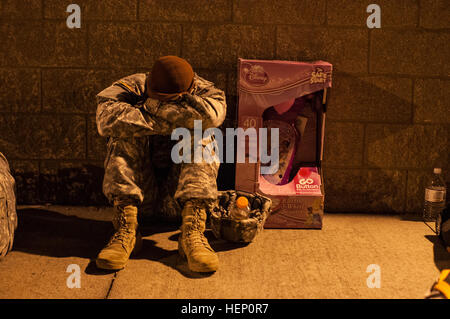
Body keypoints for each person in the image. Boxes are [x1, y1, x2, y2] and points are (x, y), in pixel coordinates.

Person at [95, 56, 227, 273]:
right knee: (122, 135)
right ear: (148, 85)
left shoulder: (206, 91)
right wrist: (178, 115)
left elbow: (212, 117)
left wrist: (152, 107)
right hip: (140, 198)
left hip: (181, 199)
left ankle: (192, 233)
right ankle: (126, 230)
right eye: (157, 97)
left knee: (202, 135)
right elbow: (106, 121)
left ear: (191, 88)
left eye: (169, 100)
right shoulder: (129, 87)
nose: (162, 102)